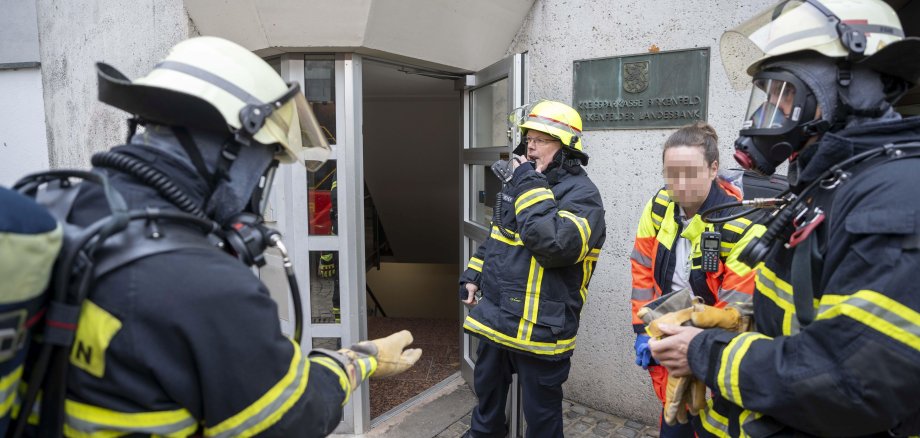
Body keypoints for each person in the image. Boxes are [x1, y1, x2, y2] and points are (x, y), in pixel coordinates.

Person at [18, 36, 421, 437]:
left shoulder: (52, 205)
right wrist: (356, 361)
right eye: (265, 165)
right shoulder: (204, 282)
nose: (258, 188)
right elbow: (291, 420)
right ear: (233, 151)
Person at [649, 1, 920, 436]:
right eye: (767, 95)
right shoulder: (836, 183)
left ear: (848, 85)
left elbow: (852, 381)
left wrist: (710, 353)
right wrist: (742, 324)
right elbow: (812, 314)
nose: (765, 114)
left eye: (783, 92)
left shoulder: (896, 197)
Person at [459, 100, 606, 438]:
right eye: (529, 139)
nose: (531, 147)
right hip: (497, 321)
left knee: (541, 419)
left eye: (541, 140)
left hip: (541, 330)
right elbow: (498, 238)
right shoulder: (521, 184)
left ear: (566, 149)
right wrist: (473, 275)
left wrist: (527, 184)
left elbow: (555, 245)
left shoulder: (584, 197)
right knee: (487, 405)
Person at [630, 121, 756, 437]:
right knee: (673, 423)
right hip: (667, 338)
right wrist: (644, 329)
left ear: (714, 169)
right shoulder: (660, 206)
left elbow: (735, 316)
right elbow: (642, 268)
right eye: (671, 173)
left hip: (713, 356)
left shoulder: (740, 225)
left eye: (690, 172)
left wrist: (695, 350)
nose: (679, 183)